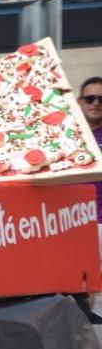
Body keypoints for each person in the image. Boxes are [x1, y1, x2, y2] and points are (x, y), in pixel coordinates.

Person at [79, 77, 102, 256]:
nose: (95, 103)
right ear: (79, 102)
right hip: (66, 225)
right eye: (89, 99)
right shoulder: (63, 136)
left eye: (101, 100)